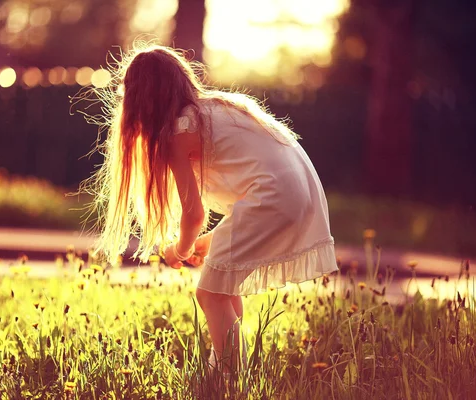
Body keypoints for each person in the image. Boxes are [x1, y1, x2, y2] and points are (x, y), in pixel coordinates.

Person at [76, 43, 339, 375]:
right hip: (298, 191)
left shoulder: (178, 131)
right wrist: (209, 242)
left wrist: (180, 249)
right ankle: (222, 370)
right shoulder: (215, 108)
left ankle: (230, 380)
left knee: (210, 294)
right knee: (222, 289)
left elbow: (194, 214)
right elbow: (254, 178)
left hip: (272, 196)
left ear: (138, 102)